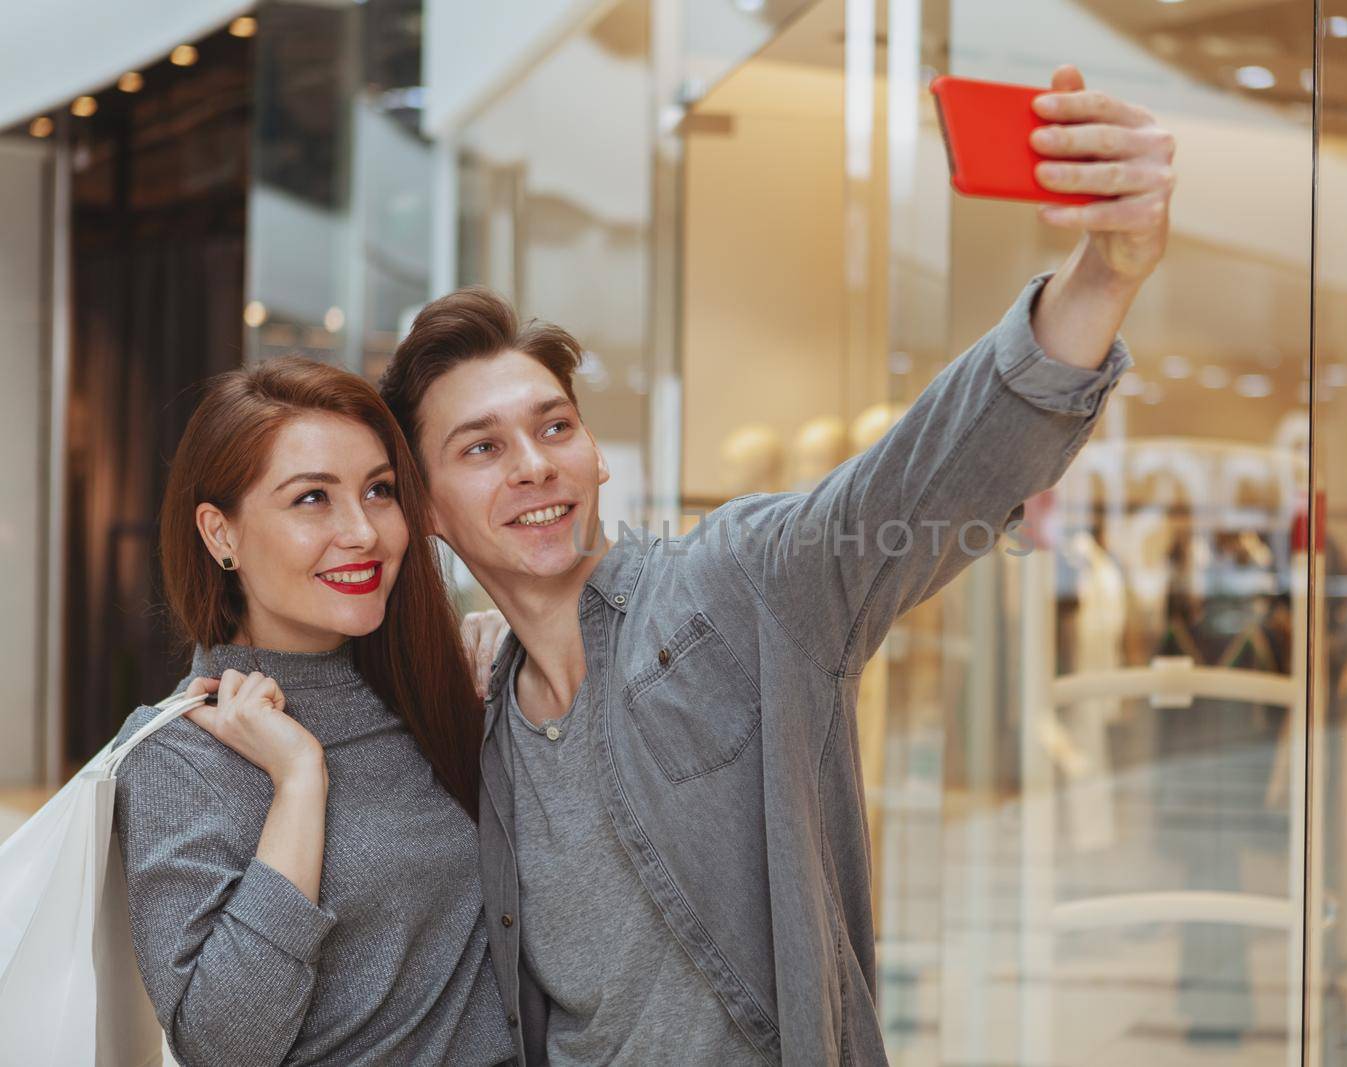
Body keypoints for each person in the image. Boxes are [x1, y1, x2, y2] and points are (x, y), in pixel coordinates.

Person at [381, 64, 1173, 1065]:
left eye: (554, 426)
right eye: (482, 447)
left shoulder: (736, 584)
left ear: (594, 453)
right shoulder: (482, 723)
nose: (535, 463)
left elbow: (927, 478)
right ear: (431, 511)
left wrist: (1105, 273)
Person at [112, 357, 518, 1066]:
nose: (362, 531)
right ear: (221, 534)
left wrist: (519, 644)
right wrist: (299, 782)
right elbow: (222, 1047)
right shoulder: (178, 754)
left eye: (379, 490)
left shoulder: (430, 687)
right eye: (311, 499)